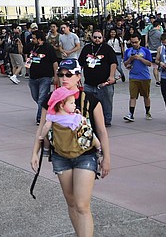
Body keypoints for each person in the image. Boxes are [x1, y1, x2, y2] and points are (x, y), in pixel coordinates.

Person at [30, 58, 110, 237]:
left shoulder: (90, 100)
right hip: (60, 156)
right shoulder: (51, 100)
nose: (64, 78)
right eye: (61, 74)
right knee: (72, 202)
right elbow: (42, 128)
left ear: (78, 76)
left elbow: (102, 131)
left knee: (82, 204)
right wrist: (34, 152)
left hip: (86, 155)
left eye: (69, 74)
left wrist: (107, 158)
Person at [38, 87, 100, 155]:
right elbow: (82, 125)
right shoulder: (75, 118)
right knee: (92, 135)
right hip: (74, 143)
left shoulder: (53, 116)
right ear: (62, 106)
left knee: (48, 133)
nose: (74, 105)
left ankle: (46, 149)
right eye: (72, 103)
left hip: (61, 144)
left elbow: (46, 127)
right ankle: (98, 147)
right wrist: (79, 115)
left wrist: (41, 136)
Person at [78, 29, 117, 127]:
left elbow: (113, 63)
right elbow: (80, 64)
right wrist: (77, 77)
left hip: (104, 84)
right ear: (91, 37)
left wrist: (111, 76)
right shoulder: (86, 48)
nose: (97, 39)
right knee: (88, 104)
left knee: (106, 104)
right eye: (95, 37)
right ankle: (90, 120)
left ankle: (106, 121)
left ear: (103, 38)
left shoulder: (107, 48)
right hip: (89, 83)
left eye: (99, 37)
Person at [27, 30, 58, 124]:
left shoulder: (48, 48)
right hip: (33, 77)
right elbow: (23, 52)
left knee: (42, 98)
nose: (32, 39)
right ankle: (45, 109)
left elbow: (55, 62)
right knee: (36, 96)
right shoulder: (32, 46)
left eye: (34, 38)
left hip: (45, 77)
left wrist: (56, 76)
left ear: (40, 39)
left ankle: (40, 118)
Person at [122, 33, 152, 122]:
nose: (134, 44)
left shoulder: (145, 51)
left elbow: (150, 63)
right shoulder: (128, 51)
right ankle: (131, 114)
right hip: (133, 76)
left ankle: (148, 111)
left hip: (144, 77)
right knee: (132, 96)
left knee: (146, 96)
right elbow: (125, 64)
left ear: (140, 41)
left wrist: (140, 59)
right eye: (132, 42)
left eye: (136, 42)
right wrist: (130, 60)